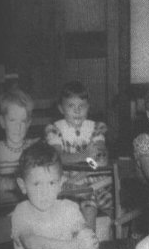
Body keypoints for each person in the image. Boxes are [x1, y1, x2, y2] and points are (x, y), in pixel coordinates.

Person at [45, 81, 112, 229]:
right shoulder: (56, 129)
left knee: (101, 196)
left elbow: (99, 160)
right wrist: (85, 155)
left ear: (88, 107)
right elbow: (57, 158)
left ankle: (94, 238)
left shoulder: (94, 128)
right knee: (87, 197)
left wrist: (97, 156)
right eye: (71, 106)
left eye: (81, 106)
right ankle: (86, 237)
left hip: (89, 176)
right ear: (61, 109)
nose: (77, 111)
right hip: (65, 178)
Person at [0, 87, 37, 202]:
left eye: (23, 121)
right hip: (3, 207)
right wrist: (20, 183)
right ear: (2, 122)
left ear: (29, 123)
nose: (18, 127)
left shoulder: (33, 147)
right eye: (12, 120)